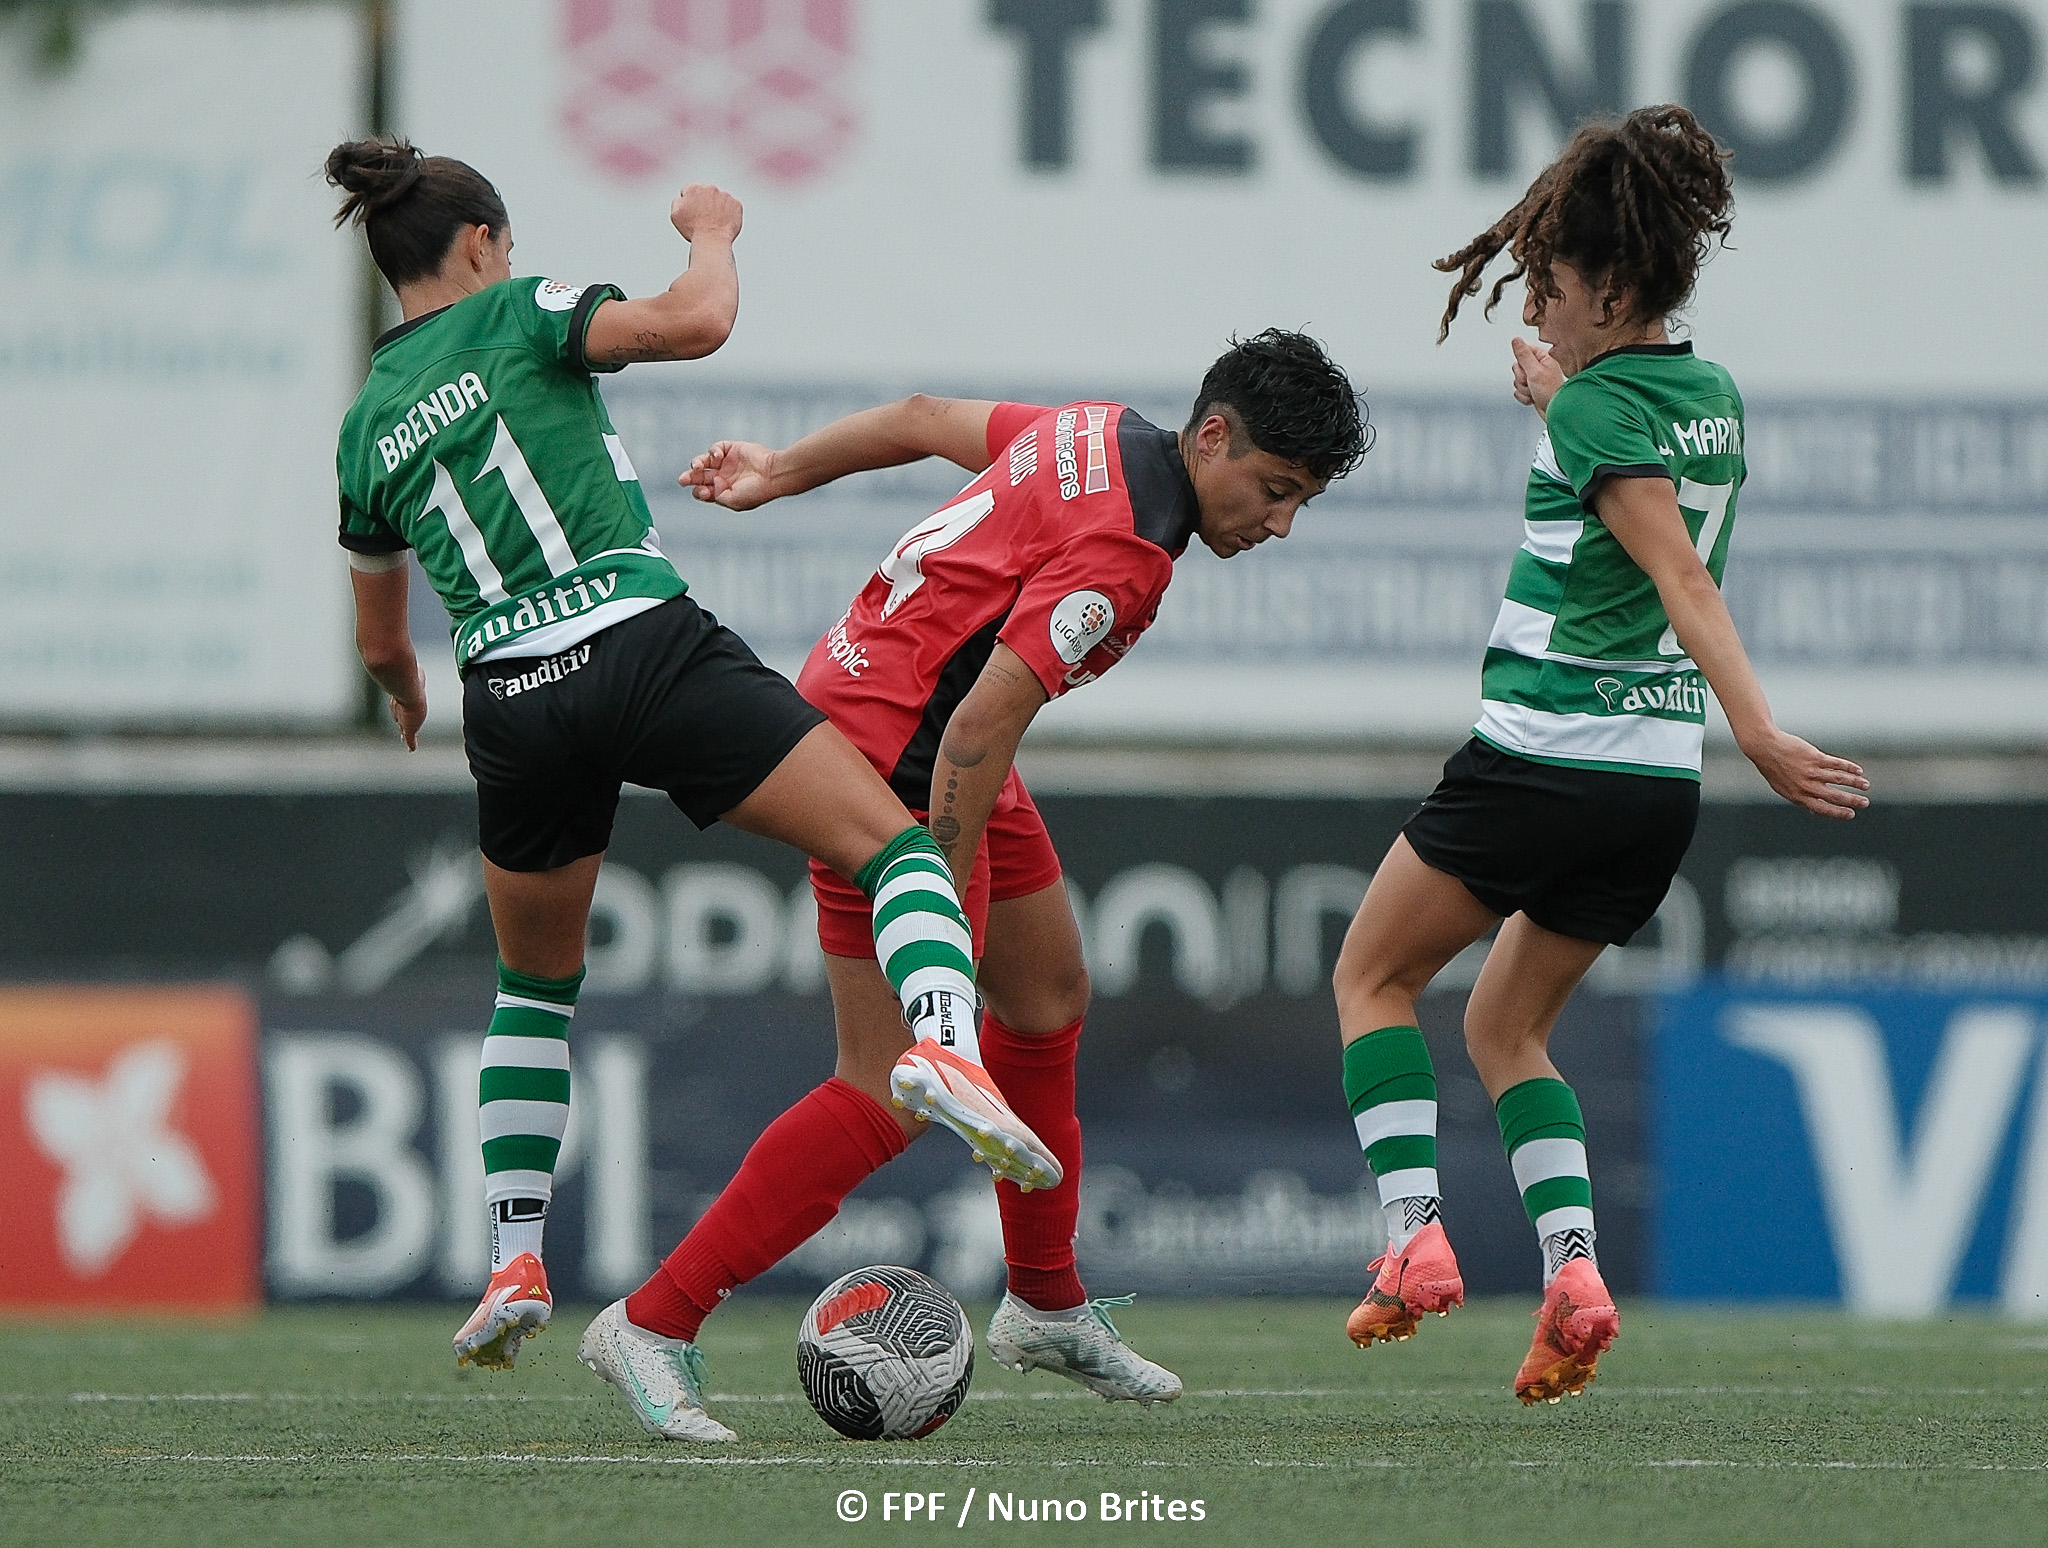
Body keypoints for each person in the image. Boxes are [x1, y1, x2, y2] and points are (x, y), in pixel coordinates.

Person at [324, 139, 1062, 1436]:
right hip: (634, 641)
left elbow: (382, 634)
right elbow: (698, 322)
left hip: (507, 700)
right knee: (892, 848)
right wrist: (712, 229)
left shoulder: (368, 423)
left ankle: (512, 1260)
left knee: (535, 989)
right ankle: (945, 1045)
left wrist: (403, 696)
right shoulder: (526, 307)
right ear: (486, 244)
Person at [599, 333, 1370, 1435]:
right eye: (1275, 489)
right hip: (887, 756)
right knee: (883, 1082)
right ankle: (653, 1320)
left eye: (1300, 501)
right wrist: (936, 920)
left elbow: (916, 413)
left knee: (1048, 995)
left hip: (916, 728)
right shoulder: (1132, 549)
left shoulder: (1096, 431)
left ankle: (1045, 1303)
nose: (1279, 522)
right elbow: (977, 720)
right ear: (1211, 437)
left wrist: (780, 471)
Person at [1331, 104, 1870, 1405]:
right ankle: (1572, 1274)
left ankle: (1410, 1241)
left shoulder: (1591, 413)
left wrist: (1762, 727)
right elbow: (1645, 468)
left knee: (1371, 977)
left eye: (1552, 284)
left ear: (1613, 282)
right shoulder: (1707, 396)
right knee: (1507, 1024)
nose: (1540, 305)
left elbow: (1679, 573)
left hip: (1541, 757)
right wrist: (1565, 392)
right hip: (1650, 787)